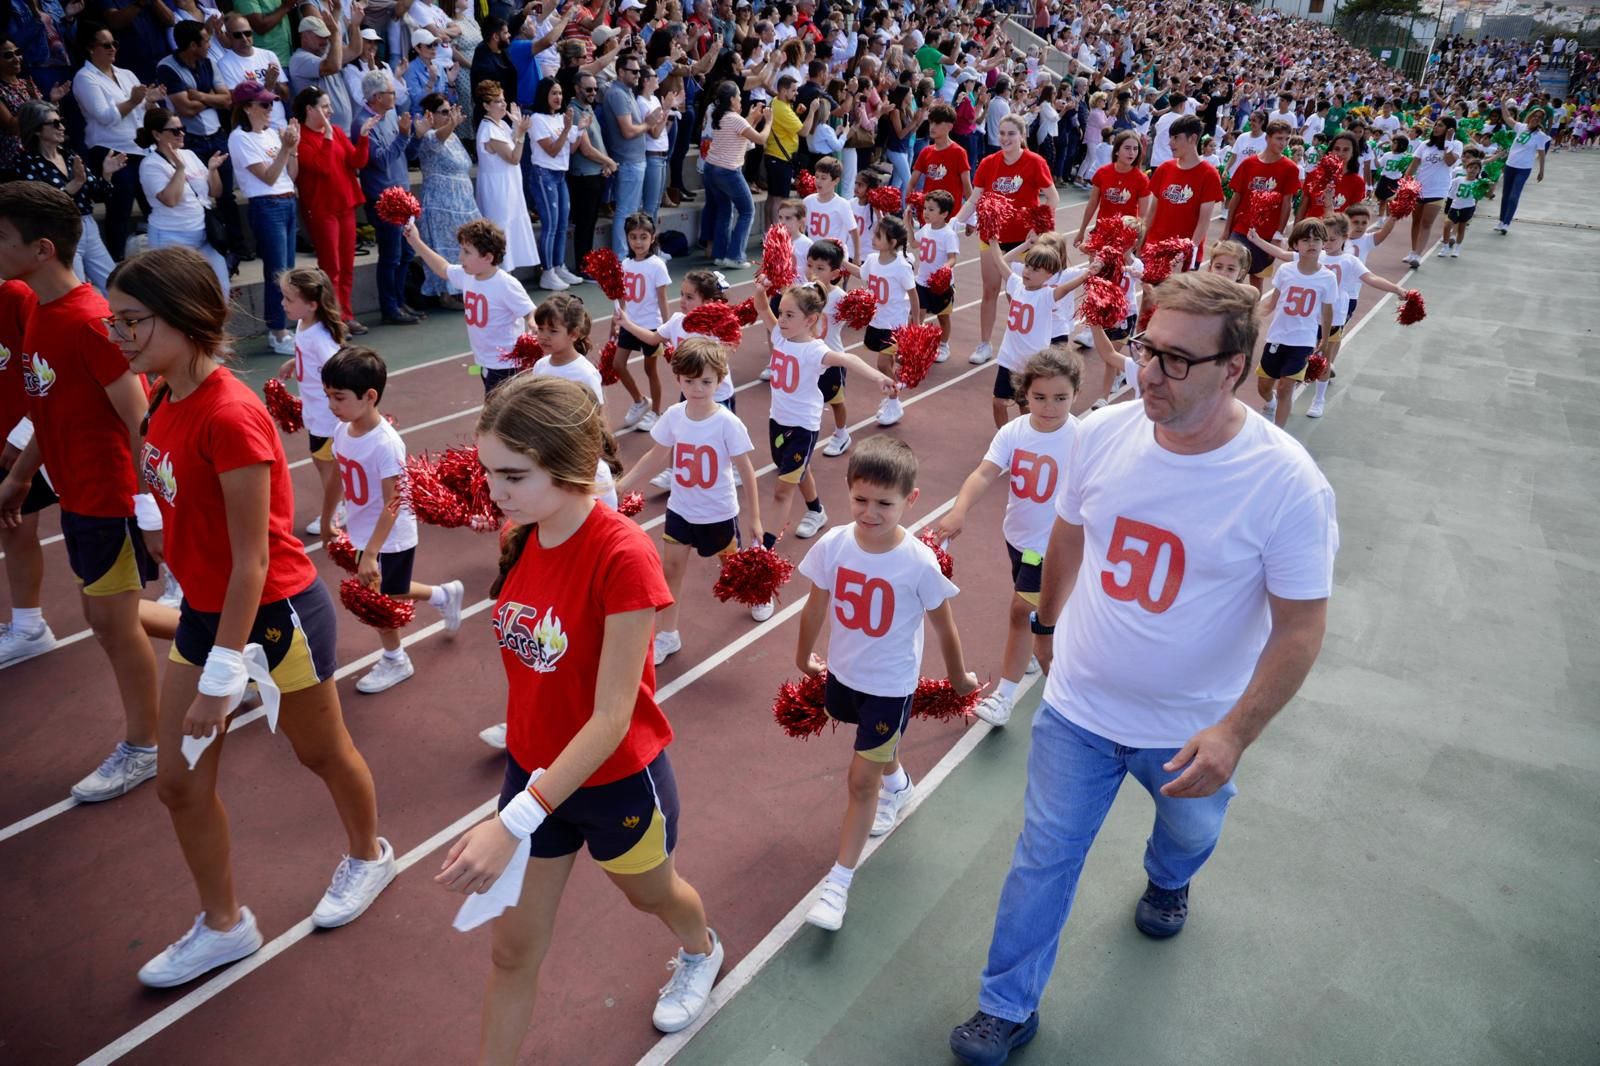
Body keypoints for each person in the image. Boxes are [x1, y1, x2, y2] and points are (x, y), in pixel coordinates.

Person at [947, 270, 1338, 1066]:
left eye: (1176, 360)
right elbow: (1067, 535)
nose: (1148, 372)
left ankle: (1169, 876)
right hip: (1080, 709)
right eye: (1144, 347)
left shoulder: (1286, 483)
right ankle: (1005, 1005)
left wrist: (1233, 734)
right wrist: (1048, 625)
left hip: (1192, 730)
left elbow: (1299, 630)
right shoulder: (1101, 433)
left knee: (1188, 833)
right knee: (1043, 854)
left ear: (1234, 367)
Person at [98, 246, 395, 987]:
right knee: (178, 782)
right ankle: (224, 925)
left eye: (134, 322)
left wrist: (219, 678)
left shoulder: (230, 414)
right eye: (116, 323)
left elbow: (253, 561)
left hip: (272, 616)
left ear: (187, 318)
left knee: (321, 754)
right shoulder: (162, 394)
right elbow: (161, 486)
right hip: (206, 610)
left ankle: (369, 855)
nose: (122, 337)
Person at [435, 374, 725, 1057]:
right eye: (488, 472)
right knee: (511, 955)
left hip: (616, 782)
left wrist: (513, 821)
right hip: (534, 780)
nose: (494, 491)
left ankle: (701, 948)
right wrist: (524, 805)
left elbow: (612, 719)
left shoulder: (623, 555)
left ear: (567, 466)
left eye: (512, 475)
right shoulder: (524, 531)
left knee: (652, 896)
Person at [0, 183, 161, 802]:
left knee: (112, 627)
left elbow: (139, 416)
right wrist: (20, 477)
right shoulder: (39, 309)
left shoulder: (91, 322)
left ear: (42, 249)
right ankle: (233, 640)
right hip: (76, 493)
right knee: (106, 618)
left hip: (110, 499)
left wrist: (147, 508)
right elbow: (50, 405)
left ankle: (144, 747)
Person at [793, 435, 978, 931]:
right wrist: (802, 655)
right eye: (859, 499)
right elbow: (816, 604)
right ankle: (898, 784)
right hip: (845, 676)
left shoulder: (917, 562)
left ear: (910, 500)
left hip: (891, 686)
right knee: (873, 752)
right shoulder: (834, 544)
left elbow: (944, 624)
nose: (869, 512)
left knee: (859, 780)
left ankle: (838, 885)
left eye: (884, 503)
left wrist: (959, 677)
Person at [935, 346, 1081, 730]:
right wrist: (959, 510)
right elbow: (984, 474)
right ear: (1025, 395)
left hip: (1052, 547)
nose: (1050, 406)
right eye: (1039, 397)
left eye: (1061, 398)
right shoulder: (1014, 431)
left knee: (1019, 611)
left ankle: (1004, 696)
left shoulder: (1081, 438)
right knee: (1034, 607)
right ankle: (1044, 632)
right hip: (1018, 538)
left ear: (1075, 395)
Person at [323, 346, 466, 693]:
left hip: (391, 536)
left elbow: (395, 501)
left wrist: (372, 552)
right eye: (328, 395)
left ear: (370, 396)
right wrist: (328, 519)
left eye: (338, 397)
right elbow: (337, 477)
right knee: (394, 589)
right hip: (361, 530)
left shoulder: (386, 444)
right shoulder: (343, 430)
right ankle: (443, 595)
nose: (331, 405)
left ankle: (395, 659)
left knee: (378, 597)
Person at [614, 337, 763, 666]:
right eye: (690, 381)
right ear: (678, 378)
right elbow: (656, 456)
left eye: (706, 381)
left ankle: (756, 594)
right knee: (671, 571)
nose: (697, 388)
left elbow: (747, 471)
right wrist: (623, 484)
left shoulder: (727, 422)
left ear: (720, 380)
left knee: (731, 571)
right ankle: (668, 633)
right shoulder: (674, 415)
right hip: (681, 511)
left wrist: (754, 518)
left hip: (718, 513)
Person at [950, 113, 1058, 366]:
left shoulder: (1035, 162)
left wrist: (1039, 228)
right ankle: (985, 344)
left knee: (1020, 295)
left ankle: (1024, 346)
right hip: (992, 238)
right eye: (1002, 133)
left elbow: (1052, 198)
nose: (1006, 138)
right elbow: (974, 199)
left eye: (1011, 133)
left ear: (1022, 136)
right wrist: (955, 223)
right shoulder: (989, 162)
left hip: (1023, 240)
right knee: (989, 290)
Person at [405, 217, 536, 394]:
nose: (460, 257)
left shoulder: (506, 284)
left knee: (497, 413)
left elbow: (530, 311)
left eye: (467, 252)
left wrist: (533, 322)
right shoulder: (467, 275)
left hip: (506, 364)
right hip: (486, 361)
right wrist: (415, 241)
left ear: (488, 257)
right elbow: (443, 268)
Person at [9, 100, 125, 291]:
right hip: (59, 230)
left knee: (112, 283)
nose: (61, 127)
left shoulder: (70, 155)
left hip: (87, 225)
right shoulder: (26, 162)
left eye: (61, 121)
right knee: (76, 289)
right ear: (37, 130)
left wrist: (107, 173)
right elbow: (42, 204)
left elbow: (98, 194)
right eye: (54, 123)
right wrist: (75, 184)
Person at [72, 23, 163, 262]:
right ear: (91, 49)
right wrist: (134, 101)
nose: (112, 48)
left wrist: (150, 103)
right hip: (109, 149)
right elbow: (104, 116)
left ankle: (163, 258)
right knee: (120, 208)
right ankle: (117, 261)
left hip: (140, 148)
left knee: (152, 204)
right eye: (106, 44)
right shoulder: (84, 78)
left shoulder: (126, 73)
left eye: (114, 43)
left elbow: (141, 113)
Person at [275, 266, 347, 536]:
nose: (283, 303)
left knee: (327, 464)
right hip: (314, 413)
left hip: (328, 417)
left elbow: (337, 368)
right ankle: (343, 500)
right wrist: (296, 362)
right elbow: (310, 354)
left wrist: (338, 404)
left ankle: (338, 508)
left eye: (289, 299)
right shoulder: (304, 324)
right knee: (321, 461)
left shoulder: (320, 338)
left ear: (312, 305)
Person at [227, 83, 299, 354]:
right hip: (267, 205)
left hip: (287, 200)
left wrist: (293, 149)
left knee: (288, 271)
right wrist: (285, 148)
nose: (270, 109)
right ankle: (277, 332)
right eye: (264, 105)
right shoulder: (239, 138)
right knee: (277, 272)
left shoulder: (271, 134)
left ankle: (285, 326)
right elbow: (267, 177)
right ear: (247, 108)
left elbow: (291, 174)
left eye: (271, 104)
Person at [293, 85, 369, 333]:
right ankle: (332, 318)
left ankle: (345, 314)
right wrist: (326, 136)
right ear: (309, 109)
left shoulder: (335, 131)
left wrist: (365, 137)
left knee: (346, 265)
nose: (331, 111)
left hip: (344, 206)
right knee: (331, 267)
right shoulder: (301, 137)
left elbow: (356, 161)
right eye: (325, 106)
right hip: (322, 210)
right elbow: (322, 166)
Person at [134, 108, 230, 297]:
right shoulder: (151, 165)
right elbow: (170, 200)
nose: (182, 134)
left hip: (204, 234)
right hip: (172, 237)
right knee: (181, 296)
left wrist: (212, 171)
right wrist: (179, 169)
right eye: (175, 130)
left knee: (221, 290)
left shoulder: (190, 155)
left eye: (182, 128)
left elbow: (215, 192)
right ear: (157, 134)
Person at [353, 68, 421, 326]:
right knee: (392, 255)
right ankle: (389, 307)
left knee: (404, 253)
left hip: (402, 193)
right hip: (383, 197)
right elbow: (380, 161)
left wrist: (416, 136)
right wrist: (404, 136)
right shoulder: (363, 123)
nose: (395, 96)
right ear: (376, 97)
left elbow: (405, 155)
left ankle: (400, 302)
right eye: (390, 92)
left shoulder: (390, 114)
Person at [1255, 218, 1338, 428]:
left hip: (1303, 341)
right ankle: (1270, 402)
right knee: (1264, 387)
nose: (1311, 244)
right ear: (1295, 245)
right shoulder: (1286, 271)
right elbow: (1272, 303)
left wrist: (1325, 340)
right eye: (1306, 239)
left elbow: (1327, 313)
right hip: (1277, 337)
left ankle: (1279, 433)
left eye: (1317, 239)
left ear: (1323, 244)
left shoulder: (1327, 277)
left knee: (1285, 387)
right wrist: (1251, 318)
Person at [411, 92, 474, 308]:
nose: (449, 116)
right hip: (440, 204)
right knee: (443, 248)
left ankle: (463, 290)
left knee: (463, 247)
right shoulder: (428, 137)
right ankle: (446, 294)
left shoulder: (453, 137)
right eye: (444, 112)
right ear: (431, 115)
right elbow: (439, 138)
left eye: (450, 111)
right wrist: (452, 125)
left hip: (462, 202)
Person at [856, 214, 918, 427]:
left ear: (892, 243)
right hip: (877, 321)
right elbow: (861, 274)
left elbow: (913, 294)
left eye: (879, 236)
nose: (873, 238)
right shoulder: (873, 260)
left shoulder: (901, 266)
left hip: (895, 324)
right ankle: (894, 388)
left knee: (882, 364)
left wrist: (915, 323)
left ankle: (894, 401)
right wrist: (840, 261)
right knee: (888, 363)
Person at [702, 79, 771, 269]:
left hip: (712, 168)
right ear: (732, 99)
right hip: (728, 171)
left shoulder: (721, 116)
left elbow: (740, 132)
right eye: (739, 96)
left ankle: (721, 254)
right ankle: (735, 256)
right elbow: (760, 138)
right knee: (747, 211)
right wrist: (768, 121)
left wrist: (753, 117)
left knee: (724, 211)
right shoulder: (734, 119)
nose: (741, 99)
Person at [612, 212, 671, 430]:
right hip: (630, 324)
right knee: (617, 364)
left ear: (652, 238)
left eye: (643, 237)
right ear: (627, 238)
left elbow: (663, 300)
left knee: (650, 369)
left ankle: (656, 411)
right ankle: (640, 401)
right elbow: (620, 298)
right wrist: (615, 324)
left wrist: (666, 330)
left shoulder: (657, 265)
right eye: (634, 237)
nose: (638, 242)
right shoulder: (625, 264)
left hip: (652, 327)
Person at [526, 76, 586, 290]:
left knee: (562, 224)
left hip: (560, 174)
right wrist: (568, 129)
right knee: (550, 224)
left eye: (560, 93)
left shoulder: (561, 118)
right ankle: (547, 270)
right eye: (554, 93)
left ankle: (559, 265)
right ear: (544, 95)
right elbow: (551, 150)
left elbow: (570, 149)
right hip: (544, 174)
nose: (558, 97)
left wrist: (580, 129)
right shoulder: (537, 120)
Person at [475, 80, 540, 272]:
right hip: (498, 189)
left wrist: (516, 128)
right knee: (500, 233)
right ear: (486, 105)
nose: (503, 104)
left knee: (510, 231)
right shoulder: (488, 129)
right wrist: (521, 133)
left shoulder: (501, 125)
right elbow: (514, 157)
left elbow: (512, 145)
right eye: (497, 101)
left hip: (509, 185)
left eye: (503, 100)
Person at [1141, 114, 1222, 266]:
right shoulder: (1164, 169)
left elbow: (1203, 222)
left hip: (1183, 254)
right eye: (1170, 137)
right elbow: (1152, 212)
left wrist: (1188, 252)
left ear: (1192, 138)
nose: (1170, 143)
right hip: (1155, 247)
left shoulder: (1209, 175)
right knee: (1149, 290)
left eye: (1176, 138)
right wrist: (1141, 243)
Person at [601, 55, 654, 255]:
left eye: (639, 71)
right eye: (634, 71)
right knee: (625, 212)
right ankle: (621, 257)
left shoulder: (627, 92)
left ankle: (625, 255)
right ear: (621, 72)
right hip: (628, 161)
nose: (638, 75)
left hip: (635, 160)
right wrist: (649, 123)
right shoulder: (617, 94)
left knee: (630, 211)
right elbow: (628, 131)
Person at [1074, 130, 1150, 249]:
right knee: (1095, 266)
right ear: (1116, 151)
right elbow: (1092, 204)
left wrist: (1139, 242)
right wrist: (1081, 231)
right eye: (1127, 148)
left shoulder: (1142, 179)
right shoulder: (1102, 173)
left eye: (1135, 149)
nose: (1132, 153)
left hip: (1125, 235)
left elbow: (1143, 216)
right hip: (1102, 232)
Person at [1401, 117, 1461, 266]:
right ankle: (1413, 250)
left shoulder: (1456, 145)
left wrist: (1448, 142)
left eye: (1440, 126)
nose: (1435, 127)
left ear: (1449, 129)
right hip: (1419, 188)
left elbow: (1449, 161)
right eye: (1435, 125)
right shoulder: (1424, 145)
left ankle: (1417, 255)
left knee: (1426, 223)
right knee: (1416, 221)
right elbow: (1413, 166)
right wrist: (1405, 183)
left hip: (1438, 190)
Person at [288, 11, 358, 133]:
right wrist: (335, 34)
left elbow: (355, 50)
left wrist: (356, 25)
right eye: (320, 36)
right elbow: (333, 66)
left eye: (326, 36)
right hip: (323, 134)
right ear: (304, 36)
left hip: (341, 133)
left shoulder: (328, 54)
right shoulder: (299, 59)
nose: (325, 41)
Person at [1493, 103, 1550, 234]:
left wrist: (1541, 171)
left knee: (1514, 196)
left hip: (1523, 169)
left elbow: (1541, 153)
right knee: (1505, 195)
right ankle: (1501, 221)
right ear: (1530, 116)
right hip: (1510, 165)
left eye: (1539, 117)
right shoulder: (1521, 127)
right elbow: (1507, 117)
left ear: (1541, 121)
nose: (1536, 118)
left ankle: (1507, 223)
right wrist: (1502, 103)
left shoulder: (1540, 135)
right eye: (1534, 116)